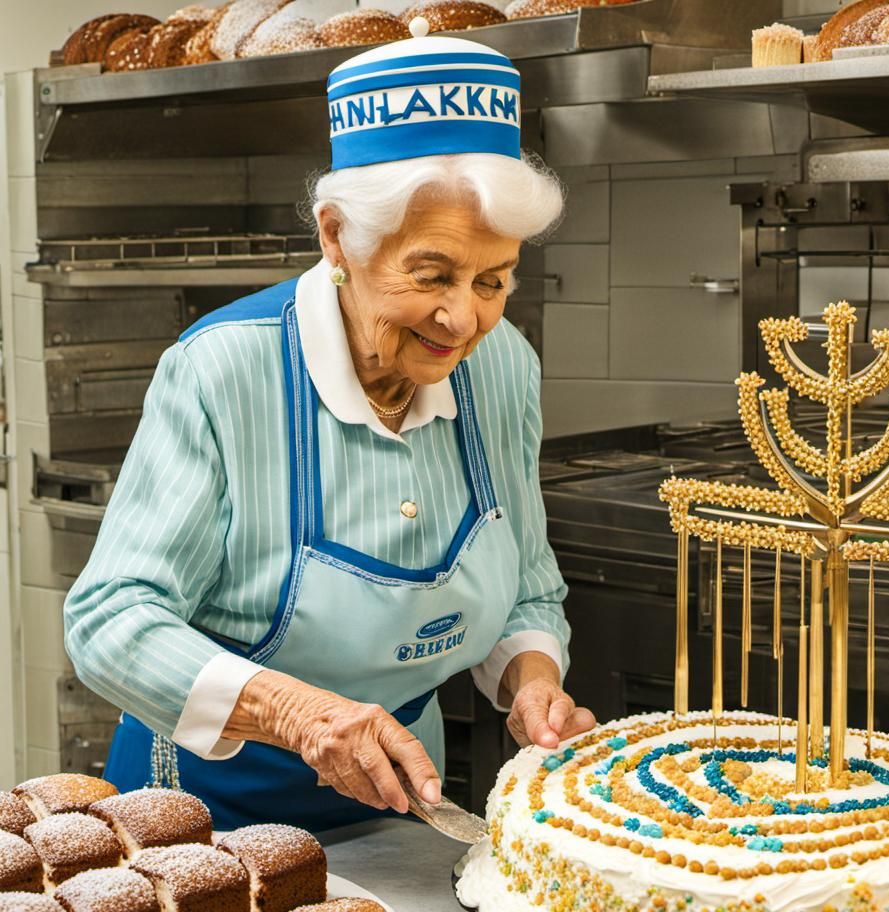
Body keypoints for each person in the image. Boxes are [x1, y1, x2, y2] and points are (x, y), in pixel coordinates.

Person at [63, 24, 596, 832]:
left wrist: (531, 681)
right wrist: (301, 715)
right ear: (337, 236)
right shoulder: (222, 370)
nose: (464, 318)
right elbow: (109, 619)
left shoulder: (503, 365)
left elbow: (525, 580)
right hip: (204, 815)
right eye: (432, 275)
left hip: (399, 804)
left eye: (494, 280)